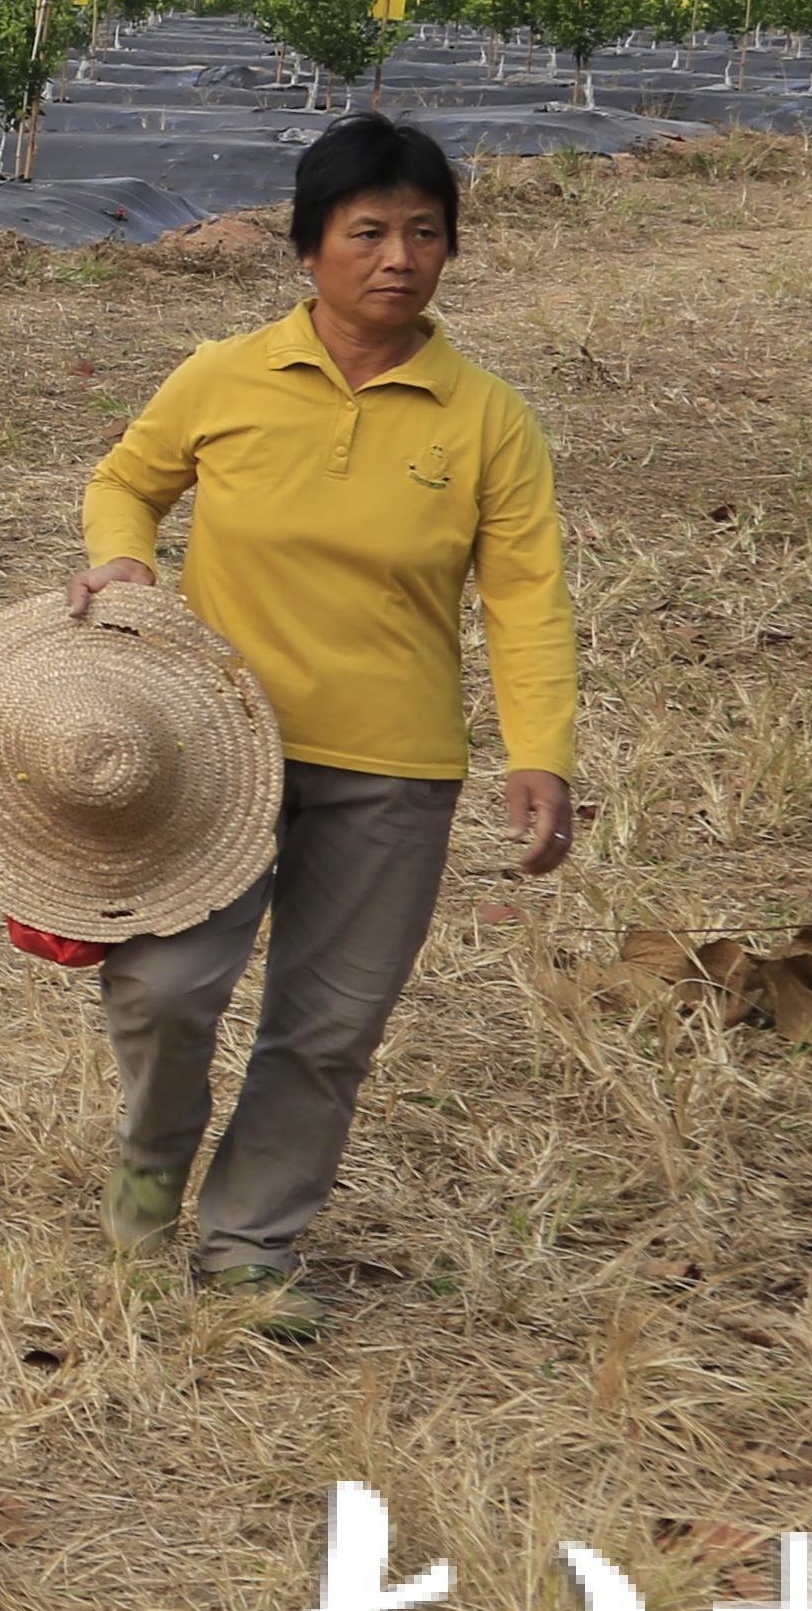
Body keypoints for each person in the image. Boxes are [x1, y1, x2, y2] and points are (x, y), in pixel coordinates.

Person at [67, 111, 574, 1328]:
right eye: (368, 232)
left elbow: (526, 594)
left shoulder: (485, 418)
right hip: (218, 746)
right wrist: (126, 563)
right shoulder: (225, 376)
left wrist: (539, 750)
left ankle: (249, 1245)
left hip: (393, 770)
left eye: (425, 233)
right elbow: (126, 481)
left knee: (329, 1024)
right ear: (306, 248)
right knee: (167, 985)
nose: (399, 257)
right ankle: (148, 1174)